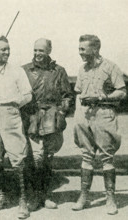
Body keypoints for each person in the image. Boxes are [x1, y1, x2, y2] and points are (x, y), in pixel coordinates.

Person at [72, 35, 126, 215]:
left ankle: (110, 199)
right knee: (86, 156)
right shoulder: (82, 69)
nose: (80, 53)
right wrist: (78, 117)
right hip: (85, 116)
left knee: (106, 158)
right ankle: (84, 196)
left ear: (95, 49)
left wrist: (102, 97)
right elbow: (78, 93)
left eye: (83, 49)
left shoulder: (111, 67)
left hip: (104, 115)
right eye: (79, 49)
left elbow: (122, 92)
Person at [0, 36, 32, 219]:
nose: (7, 52)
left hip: (10, 113)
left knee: (17, 157)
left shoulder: (17, 71)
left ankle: (23, 201)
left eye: (8, 49)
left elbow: (27, 95)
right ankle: (1, 197)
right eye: (3, 49)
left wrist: (14, 104)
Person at [21, 38, 72, 210]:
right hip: (32, 117)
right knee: (35, 157)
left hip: (52, 118)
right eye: (35, 50)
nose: (37, 54)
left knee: (48, 158)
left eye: (41, 51)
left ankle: (45, 196)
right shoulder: (24, 70)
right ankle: (33, 196)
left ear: (49, 51)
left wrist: (61, 112)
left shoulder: (59, 71)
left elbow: (67, 95)